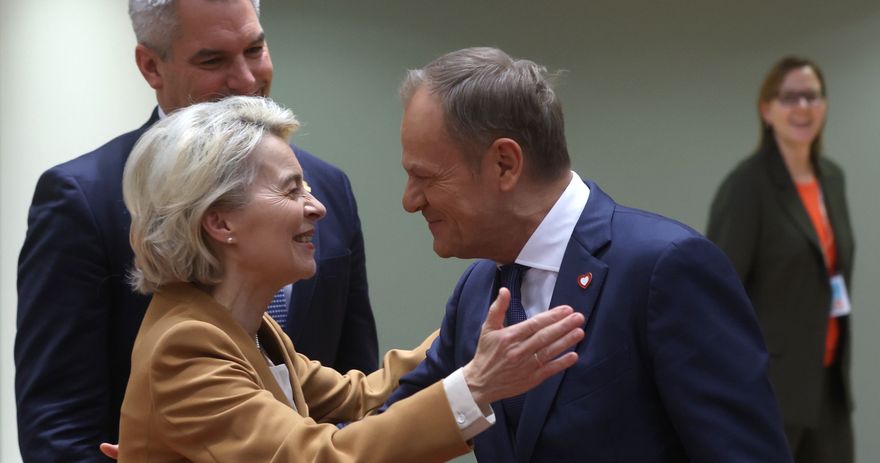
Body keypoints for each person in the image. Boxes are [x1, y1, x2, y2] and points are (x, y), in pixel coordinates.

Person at [15, 0, 378, 461]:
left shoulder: (327, 187)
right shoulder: (84, 198)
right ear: (150, 66)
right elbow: (58, 423)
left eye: (255, 49)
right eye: (213, 60)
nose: (247, 79)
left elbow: (354, 387)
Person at [115, 95, 585, 462]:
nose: (317, 207)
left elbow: (362, 397)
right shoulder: (186, 346)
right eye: (290, 189)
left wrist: (469, 330)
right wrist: (476, 387)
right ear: (220, 223)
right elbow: (318, 458)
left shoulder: (245, 328)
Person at [383, 47, 793, 462]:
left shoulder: (665, 269)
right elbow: (391, 427)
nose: (410, 200)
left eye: (425, 177)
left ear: (505, 164)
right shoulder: (478, 290)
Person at [707, 57, 855, 462]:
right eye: (789, 97)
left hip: (828, 382)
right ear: (766, 109)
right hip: (769, 387)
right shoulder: (747, 186)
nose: (802, 107)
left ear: (824, 105)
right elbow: (717, 294)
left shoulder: (832, 178)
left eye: (812, 96)